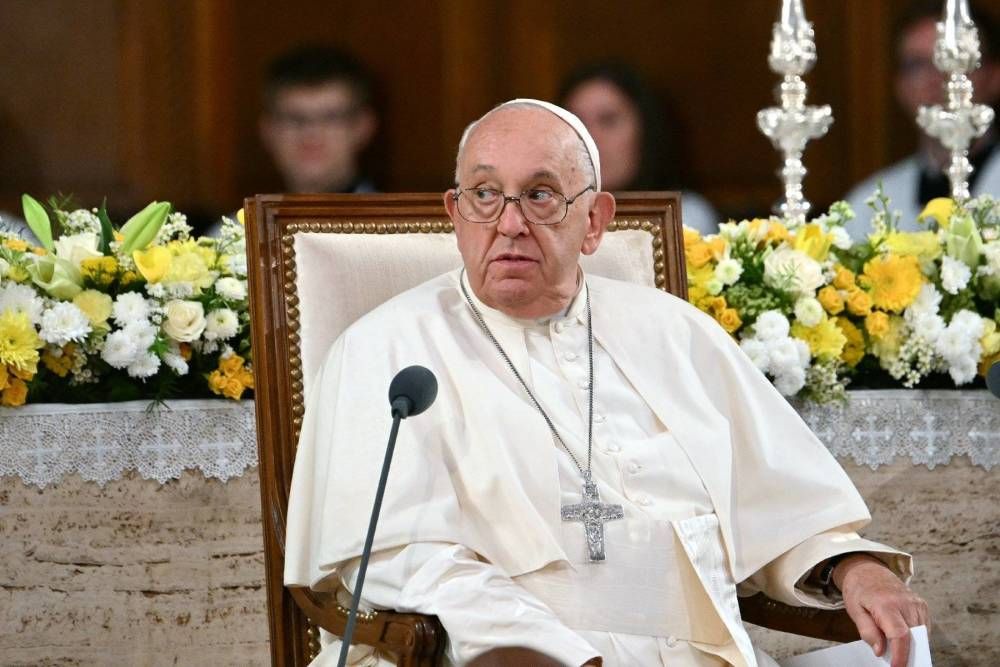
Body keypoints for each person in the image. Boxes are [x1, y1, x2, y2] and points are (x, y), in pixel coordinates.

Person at [284, 99, 929, 667]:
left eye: (540, 195)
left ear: (594, 221)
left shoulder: (677, 334)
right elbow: (402, 558)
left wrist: (854, 567)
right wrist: (550, 654)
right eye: (485, 194)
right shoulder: (387, 353)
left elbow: (780, 504)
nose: (509, 223)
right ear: (455, 213)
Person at [843, 0, 1000, 239]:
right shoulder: (866, 204)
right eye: (917, 65)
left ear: (993, 76)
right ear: (900, 86)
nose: (938, 78)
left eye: (956, 60)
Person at [559, 62, 720, 235]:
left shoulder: (685, 215)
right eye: (576, 122)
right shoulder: (541, 217)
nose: (589, 137)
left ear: (646, 131)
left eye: (608, 120)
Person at [259, 44, 378, 196]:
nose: (311, 134)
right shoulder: (235, 221)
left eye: (330, 117)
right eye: (295, 118)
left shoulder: (400, 220)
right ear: (267, 129)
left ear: (363, 126)